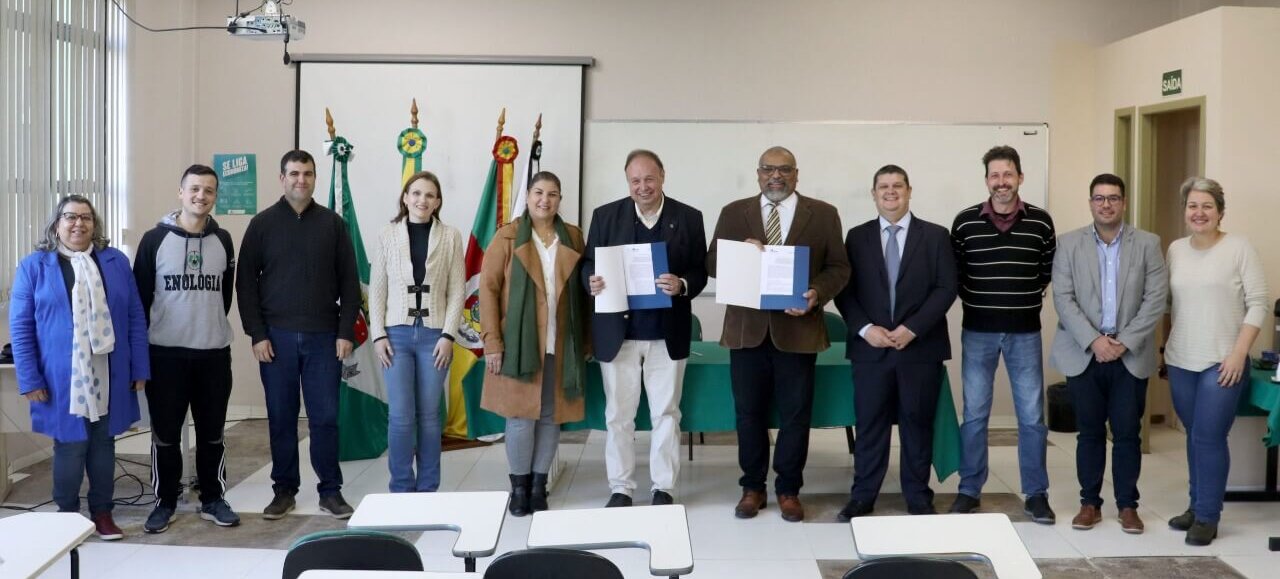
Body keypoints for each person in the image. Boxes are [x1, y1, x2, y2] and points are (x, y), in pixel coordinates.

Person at [707, 146, 850, 522]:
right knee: (748, 414)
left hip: (798, 330)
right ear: (757, 173)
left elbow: (839, 267)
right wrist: (742, 252)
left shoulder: (822, 214)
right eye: (769, 169)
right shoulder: (734, 213)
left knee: (795, 415)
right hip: (746, 332)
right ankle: (752, 486)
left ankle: (789, 489)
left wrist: (817, 293)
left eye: (784, 170)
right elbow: (711, 263)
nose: (776, 175)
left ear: (796, 174)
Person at [9, 195, 149, 540]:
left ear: (95, 224)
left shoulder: (115, 262)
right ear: (56, 224)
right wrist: (29, 378)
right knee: (70, 445)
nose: (78, 224)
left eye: (86, 217)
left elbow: (134, 316)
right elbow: (21, 326)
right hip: (61, 374)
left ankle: (102, 513)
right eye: (70, 217)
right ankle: (67, 516)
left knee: (104, 443)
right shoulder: (34, 266)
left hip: (108, 367)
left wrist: (139, 367)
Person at [236, 150, 361, 520]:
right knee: (281, 417)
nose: (300, 180)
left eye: (307, 173)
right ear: (282, 178)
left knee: (325, 418)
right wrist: (257, 335)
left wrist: (345, 332)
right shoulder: (261, 225)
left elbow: (350, 284)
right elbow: (245, 286)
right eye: (293, 173)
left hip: (325, 339)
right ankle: (284, 490)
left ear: (315, 177)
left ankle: (330, 491)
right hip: (276, 340)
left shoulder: (333, 225)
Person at [583, 149, 708, 507]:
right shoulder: (606, 216)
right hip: (618, 334)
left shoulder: (688, 217)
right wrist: (588, 281)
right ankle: (621, 488)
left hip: (666, 334)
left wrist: (682, 283)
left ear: (663, 176)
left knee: (666, 413)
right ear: (628, 182)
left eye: (649, 179)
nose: (643, 187)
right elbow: (589, 263)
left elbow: (700, 270)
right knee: (618, 416)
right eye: (635, 180)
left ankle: (663, 487)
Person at [835, 165, 957, 520]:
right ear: (873, 194)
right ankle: (862, 496)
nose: (891, 192)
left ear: (909, 191)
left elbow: (946, 287)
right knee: (870, 425)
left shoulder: (935, 236)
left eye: (897, 186)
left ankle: (918, 495)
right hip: (870, 349)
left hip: (919, 348)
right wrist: (864, 328)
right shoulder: (856, 238)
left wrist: (913, 328)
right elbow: (845, 291)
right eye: (883, 187)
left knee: (917, 423)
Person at [1050, 173, 1167, 535]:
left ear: (1124, 202)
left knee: (1127, 433)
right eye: (1099, 198)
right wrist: (1095, 341)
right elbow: (1063, 298)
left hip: (1130, 356)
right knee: (1088, 432)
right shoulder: (1068, 244)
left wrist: (1123, 341)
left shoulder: (1148, 243)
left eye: (1113, 198)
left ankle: (1128, 506)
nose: (1106, 204)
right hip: (1084, 353)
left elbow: (1155, 298)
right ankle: (1090, 503)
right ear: (1090, 203)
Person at [949, 145, 1057, 524]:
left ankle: (1036, 494)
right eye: (994, 175)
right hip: (977, 331)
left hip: (1025, 333)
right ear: (986, 181)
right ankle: (969, 490)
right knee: (975, 415)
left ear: (1020, 178)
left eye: (1007, 174)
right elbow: (957, 276)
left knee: (1031, 417)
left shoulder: (1042, 223)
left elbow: (1046, 274)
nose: (1001, 182)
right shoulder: (964, 223)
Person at [133, 164, 240, 533]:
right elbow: (140, 300)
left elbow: (224, 297)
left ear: (215, 196)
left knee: (213, 433)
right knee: (165, 434)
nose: (201, 196)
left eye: (209, 191)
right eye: (194, 189)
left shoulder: (223, 240)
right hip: (166, 355)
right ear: (181, 192)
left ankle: (213, 497)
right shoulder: (153, 240)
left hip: (212, 354)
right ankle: (165, 500)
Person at [1163, 176, 1267, 546]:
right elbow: (1171, 305)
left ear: (1220, 211)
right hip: (1180, 359)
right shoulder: (1175, 249)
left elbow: (1258, 303)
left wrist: (1239, 353)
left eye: (1207, 205)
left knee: (1209, 437)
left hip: (1223, 361)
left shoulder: (1239, 248)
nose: (1199, 212)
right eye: (1193, 205)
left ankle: (1208, 515)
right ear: (1185, 211)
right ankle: (1196, 505)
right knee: (1194, 436)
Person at [479, 171, 589, 517]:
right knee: (520, 418)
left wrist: (585, 342)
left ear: (560, 199)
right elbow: (488, 291)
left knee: (550, 417)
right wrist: (492, 343)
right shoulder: (507, 237)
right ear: (527, 197)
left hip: (560, 341)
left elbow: (584, 294)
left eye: (553, 194)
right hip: (518, 345)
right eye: (539, 193)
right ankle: (519, 487)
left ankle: (540, 485)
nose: (545, 200)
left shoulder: (572, 237)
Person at [369, 170, 466, 493]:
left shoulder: (451, 236)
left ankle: (428, 488)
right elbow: (378, 290)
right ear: (405, 197)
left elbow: (456, 291)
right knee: (400, 416)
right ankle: (400, 486)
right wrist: (378, 335)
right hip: (396, 335)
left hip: (434, 337)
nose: (422, 200)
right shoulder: (387, 234)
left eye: (429, 195)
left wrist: (448, 335)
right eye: (416, 193)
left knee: (429, 415)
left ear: (438, 201)